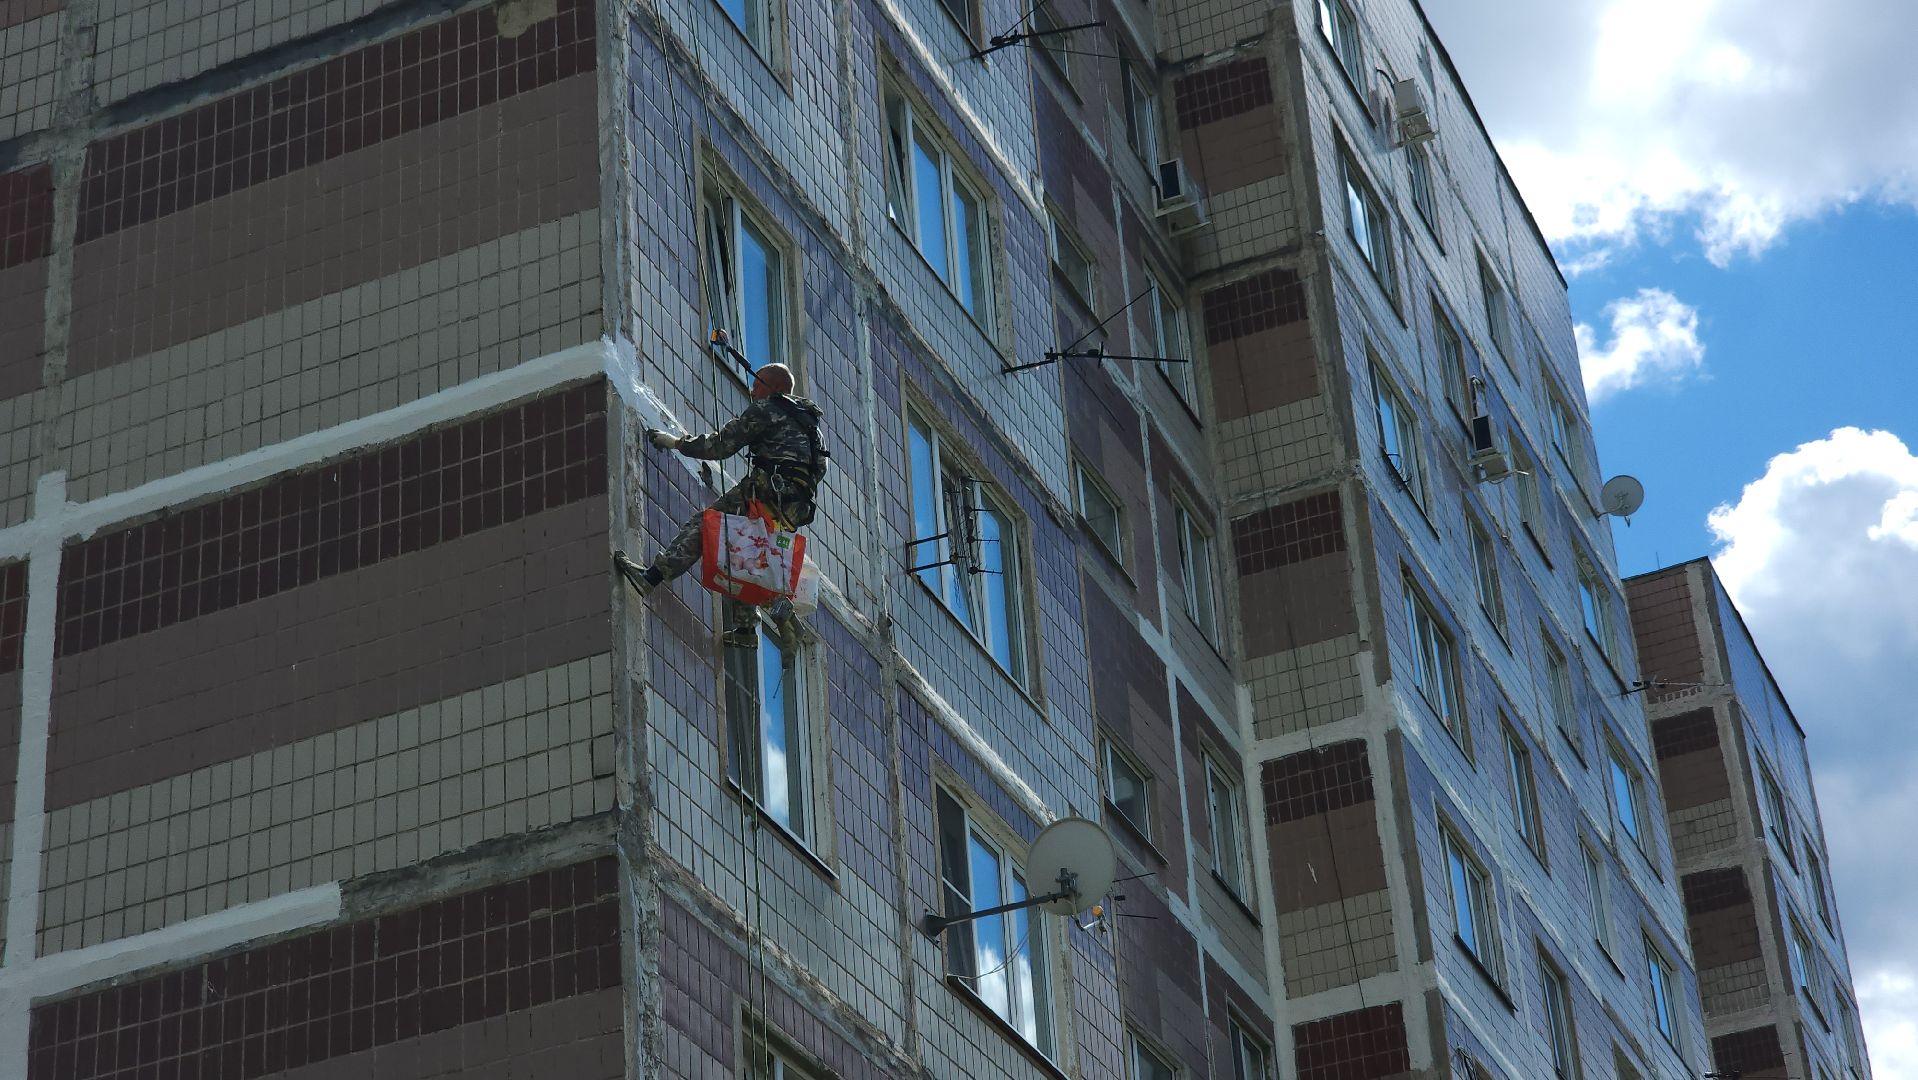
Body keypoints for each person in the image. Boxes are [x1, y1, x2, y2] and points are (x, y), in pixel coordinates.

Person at [614, 363, 827, 644]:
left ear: (774, 388)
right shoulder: (811, 427)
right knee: (742, 545)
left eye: (757, 385)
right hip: (794, 508)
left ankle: (651, 577)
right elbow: (819, 470)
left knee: (708, 524)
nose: (752, 390)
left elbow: (720, 446)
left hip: (767, 490)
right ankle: (747, 629)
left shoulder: (767, 410)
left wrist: (676, 443)